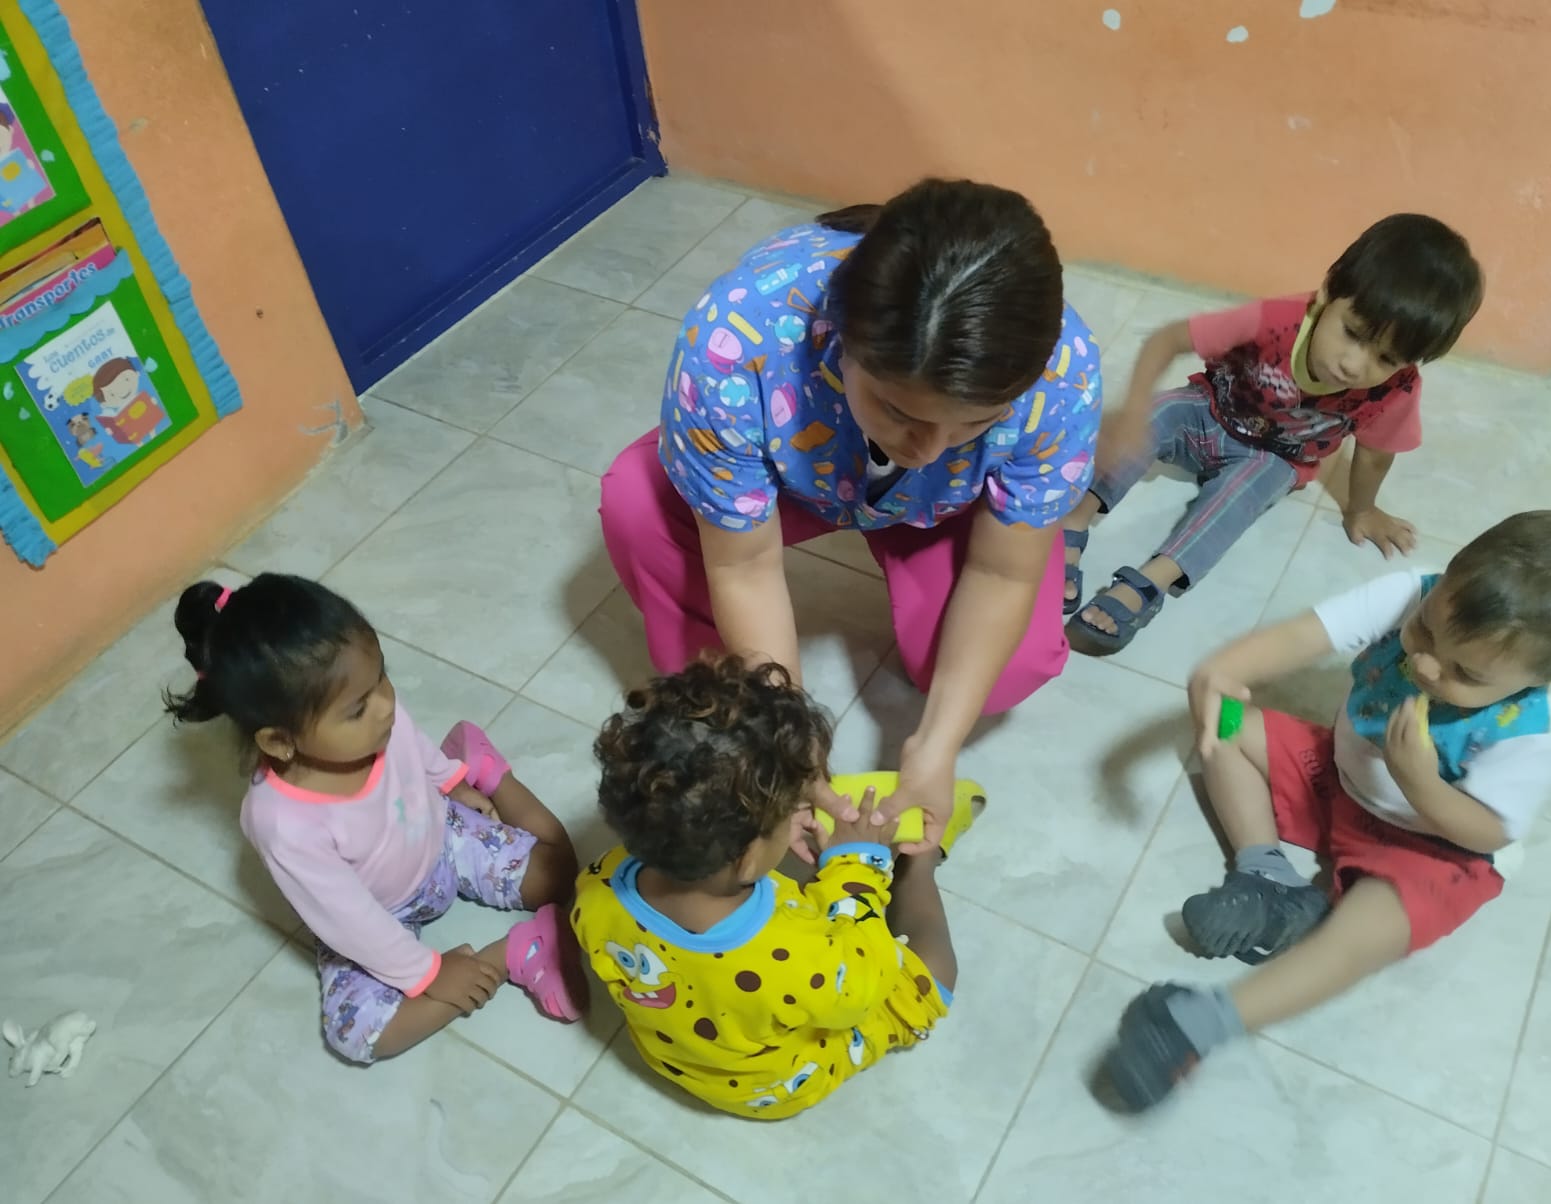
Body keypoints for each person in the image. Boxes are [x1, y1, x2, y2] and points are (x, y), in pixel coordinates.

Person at [600, 177, 1101, 855]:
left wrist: (936, 745)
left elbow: (1002, 574)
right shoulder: (734, 343)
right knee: (640, 502)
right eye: (897, 410)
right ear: (841, 342)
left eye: (975, 423)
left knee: (1010, 667)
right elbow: (744, 567)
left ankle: (915, 511)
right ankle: (737, 718)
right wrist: (786, 748)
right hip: (800, 482)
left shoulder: (1065, 376)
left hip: (946, 508)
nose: (928, 450)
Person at [1100, 511, 1551, 1110]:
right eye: (1425, 631)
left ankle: (1200, 1023)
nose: (1426, 666)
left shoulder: (1539, 729)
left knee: (1365, 935)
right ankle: (1265, 877)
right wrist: (1223, 670)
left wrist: (1420, 783)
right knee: (1222, 722)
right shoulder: (1414, 592)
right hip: (1339, 777)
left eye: (1465, 673)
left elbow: (1487, 831)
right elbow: (1302, 636)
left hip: (1432, 843)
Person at [163, 573, 588, 1063]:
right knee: (358, 1034)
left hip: (442, 836)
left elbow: (412, 743)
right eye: (358, 707)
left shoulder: (376, 715)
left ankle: (488, 771)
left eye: (382, 676)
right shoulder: (282, 824)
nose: (387, 705)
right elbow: (349, 920)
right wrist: (429, 973)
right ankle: (517, 952)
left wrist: (450, 779)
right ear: (280, 741)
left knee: (562, 875)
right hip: (379, 914)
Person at [573, 653, 977, 1119]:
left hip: (678, 1054)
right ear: (747, 857)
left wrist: (776, 821)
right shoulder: (799, 962)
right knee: (932, 981)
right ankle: (921, 863)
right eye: (789, 812)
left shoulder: (596, 884)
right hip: (772, 1085)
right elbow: (862, 985)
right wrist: (859, 866)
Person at [1064, 213, 1484, 656]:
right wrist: (1133, 414)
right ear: (1328, 292)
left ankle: (1151, 582)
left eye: (1386, 358)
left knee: (1242, 496)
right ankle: (1073, 520)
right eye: (1353, 334)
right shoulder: (1273, 322)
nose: (1354, 365)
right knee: (1160, 412)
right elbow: (1167, 340)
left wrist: (1362, 509)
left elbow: (1376, 452)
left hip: (1275, 456)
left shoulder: (1396, 390)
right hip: (1207, 410)